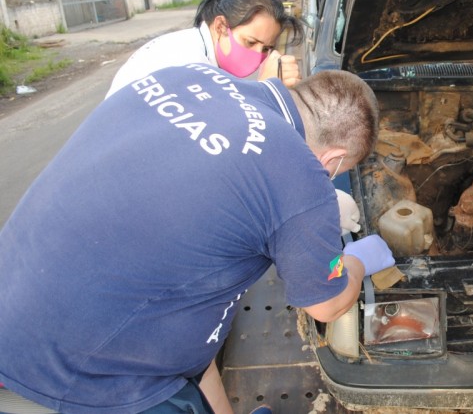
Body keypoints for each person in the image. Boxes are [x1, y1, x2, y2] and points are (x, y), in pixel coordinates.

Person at [0, 66, 394, 414]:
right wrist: (355, 262)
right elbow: (324, 305)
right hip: (81, 376)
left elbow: (196, 316)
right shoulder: (299, 174)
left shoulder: (185, 77)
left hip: (17, 296)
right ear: (334, 161)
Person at [106, 0, 304, 98]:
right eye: (250, 42)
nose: (257, 56)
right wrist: (264, 90)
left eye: (266, 48)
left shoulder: (196, 48)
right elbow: (222, 132)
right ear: (220, 27)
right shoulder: (188, 62)